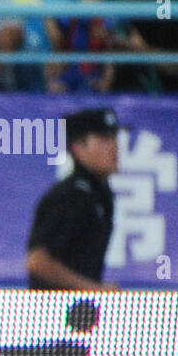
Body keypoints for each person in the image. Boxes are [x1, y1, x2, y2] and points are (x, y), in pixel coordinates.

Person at [26, 107, 119, 291]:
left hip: (78, 310)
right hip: (54, 311)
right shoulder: (71, 196)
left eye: (115, 138)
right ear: (79, 149)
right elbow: (37, 261)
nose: (115, 146)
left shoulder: (99, 193)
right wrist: (94, 289)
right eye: (104, 140)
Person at [43, 0, 116, 94]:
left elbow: (111, 54)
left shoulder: (112, 14)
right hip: (67, 72)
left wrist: (107, 79)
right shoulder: (67, 9)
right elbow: (58, 42)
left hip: (94, 76)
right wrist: (49, 21)